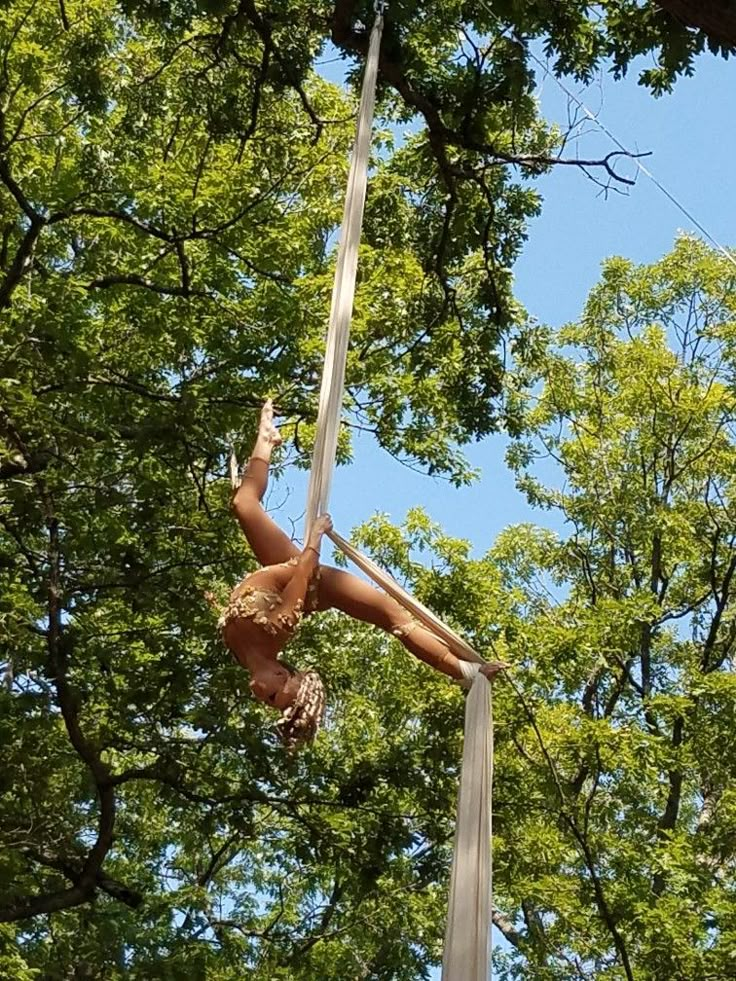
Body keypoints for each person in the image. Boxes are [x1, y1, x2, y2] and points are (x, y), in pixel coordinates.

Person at [218, 400, 506, 749]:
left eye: (269, 701)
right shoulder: (276, 627)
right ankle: (467, 672)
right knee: (395, 617)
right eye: (274, 694)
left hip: (280, 573)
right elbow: (302, 575)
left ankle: (266, 438)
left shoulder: (241, 653)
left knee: (242, 504)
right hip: (312, 581)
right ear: (281, 673)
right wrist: (316, 536)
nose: (262, 696)